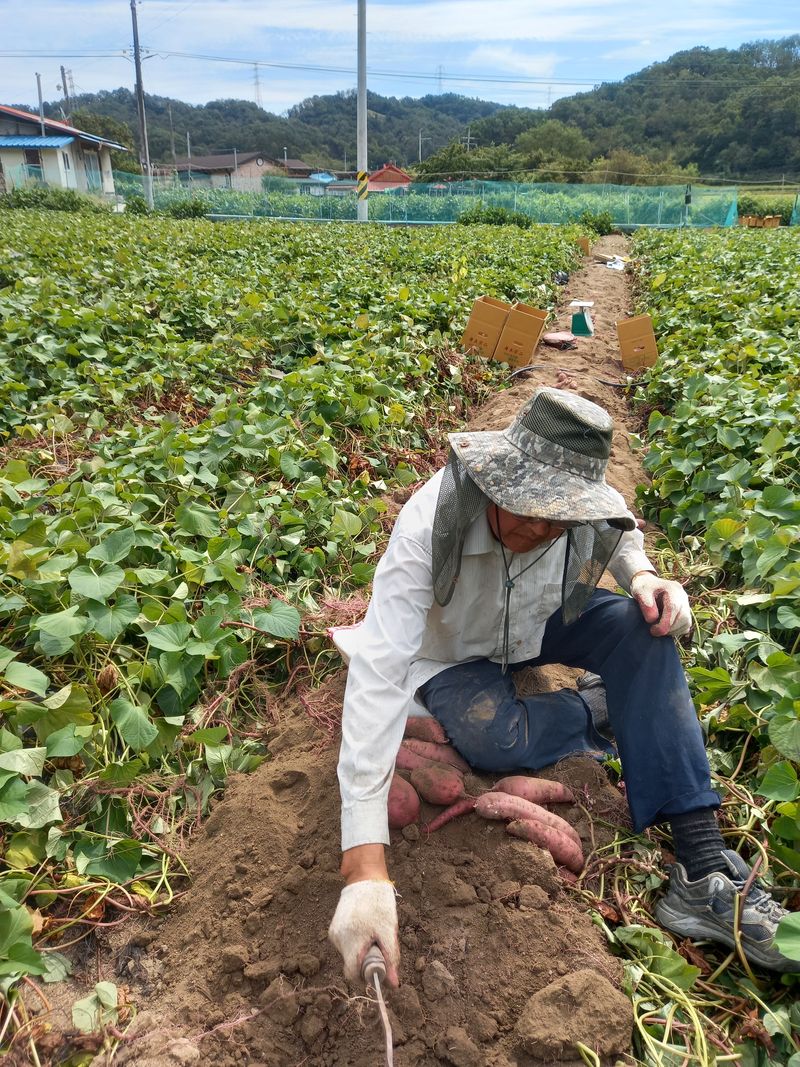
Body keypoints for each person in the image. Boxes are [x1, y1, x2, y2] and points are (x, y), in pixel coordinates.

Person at [327, 387, 798, 984]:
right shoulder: (429, 526)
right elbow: (377, 671)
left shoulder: (580, 513)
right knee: (496, 741)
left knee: (642, 630)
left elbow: (618, 525)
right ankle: (599, 704)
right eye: (528, 506)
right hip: (453, 648)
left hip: (540, 619)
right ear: (496, 479)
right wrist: (364, 867)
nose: (541, 527)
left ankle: (702, 866)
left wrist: (643, 577)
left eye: (560, 516)